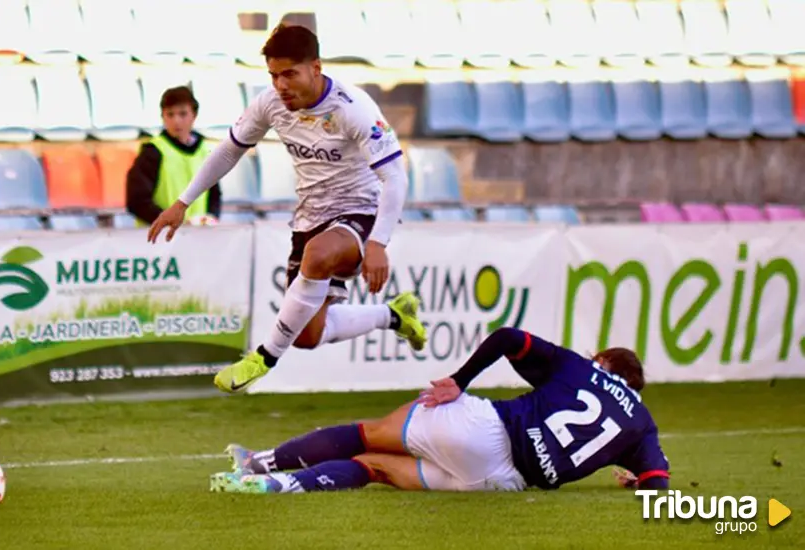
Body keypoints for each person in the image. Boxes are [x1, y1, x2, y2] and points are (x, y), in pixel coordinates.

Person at [146, 24, 425, 394]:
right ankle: (393, 315)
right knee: (308, 334)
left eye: (289, 74)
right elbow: (230, 150)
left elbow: (395, 177)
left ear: (316, 67)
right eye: (274, 75)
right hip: (310, 217)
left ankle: (262, 356)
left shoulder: (353, 108)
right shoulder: (270, 103)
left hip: (362, 211)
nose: (281, 85)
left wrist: (378, 243)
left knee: (319, 253)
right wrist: (182, 202)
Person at [209, 327, 672, 494]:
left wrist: (460, 381)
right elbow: (658, 485)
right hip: (503, 484)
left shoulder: (581, 368)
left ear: (604, 364)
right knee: (374, 470)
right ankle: (275, 487)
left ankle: (259, 465)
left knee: (368, 436)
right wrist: (635, 481)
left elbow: (510, 338)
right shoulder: (641, 425)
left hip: (487, 431)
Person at [126, 86, 222, 227]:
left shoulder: (204, 150)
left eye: (183, 114)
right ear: (162, 117)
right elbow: (137, 201)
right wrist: (171, 221)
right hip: (160, 238)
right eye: (170, 114)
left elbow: (214, 195)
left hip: (195, 236)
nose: (176, 120)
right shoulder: (152, 152)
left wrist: (210, 217)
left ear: (194, 115)